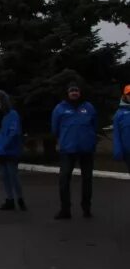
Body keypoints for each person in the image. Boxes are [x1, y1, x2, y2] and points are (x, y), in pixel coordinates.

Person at [51, 83, 98, 219]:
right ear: (67, 93)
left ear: (80, 92)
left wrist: (90, 139)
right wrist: (64, 140)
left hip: (86, 149)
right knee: (64, 179)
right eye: (71, 91)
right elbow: (55, 128)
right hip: (68, 149)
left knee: (87, 180)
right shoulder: (60, 108)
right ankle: (65, 210)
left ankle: (86, 208)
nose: (74, 93)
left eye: (76, 90)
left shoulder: (89, 107)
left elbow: (94, 125)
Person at [0, 90, 26, 211]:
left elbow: (14, 132)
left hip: (10, 149)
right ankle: (9, 199)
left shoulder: (12, 114)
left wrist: (4, 145)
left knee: (13, 175)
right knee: (5, 176)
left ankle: (20, 198)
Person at [112, 84, 130, 174]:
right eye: (129, 94)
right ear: (124, 96)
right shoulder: (119, 114)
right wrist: (118, 151)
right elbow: (116, 135)